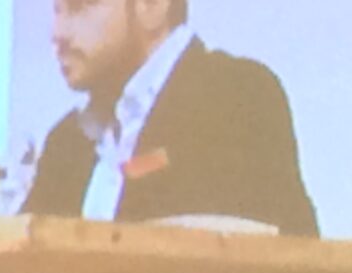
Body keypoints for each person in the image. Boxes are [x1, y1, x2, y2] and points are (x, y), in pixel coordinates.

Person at [24, 0, 316, 236]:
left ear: (152, 6)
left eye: (81, 6)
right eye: (56, 9)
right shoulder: (67, 143)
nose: (57, 33)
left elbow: (273, 265)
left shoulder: (235, 97)